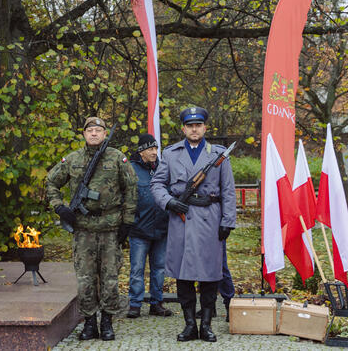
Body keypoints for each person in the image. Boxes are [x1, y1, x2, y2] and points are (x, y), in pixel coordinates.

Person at [46, 116, 137, 341]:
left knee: (110, 279)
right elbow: (51, 182)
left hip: (110, 228)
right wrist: (60, 208)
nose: (94, 134)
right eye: (90, 130)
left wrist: (127, 222)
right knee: (85, 279)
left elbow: (132, 189)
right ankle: (89, 323)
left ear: (105, 134)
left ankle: (107, 321)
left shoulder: (117, 158)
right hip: (83, 229)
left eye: (98, 130)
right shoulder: (73, 159)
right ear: (84, 134)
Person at [150, 107, 236, 343]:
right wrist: (169, 203)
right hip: (181, 220)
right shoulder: (170, 154)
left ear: (205, 127)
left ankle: (206, 325)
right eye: (190, 125)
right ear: (183, 128)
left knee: (210, 275)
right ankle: (189, 325)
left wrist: (227, 221)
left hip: (210, 218)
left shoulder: (218, 155)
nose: (194, 129)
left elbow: (228, 190)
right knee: (183, 275)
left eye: (198, 125)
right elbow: (157, 184)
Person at [127, 133, 173, 319]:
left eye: (155, 148)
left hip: (162, 228)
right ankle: (135, 304)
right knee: (137, 269)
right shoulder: (131, 169)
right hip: (139, 229)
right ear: (141, 151)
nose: (154, 152)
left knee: (159, 268)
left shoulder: (163, 168)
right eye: (150, 149)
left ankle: (157, 303)